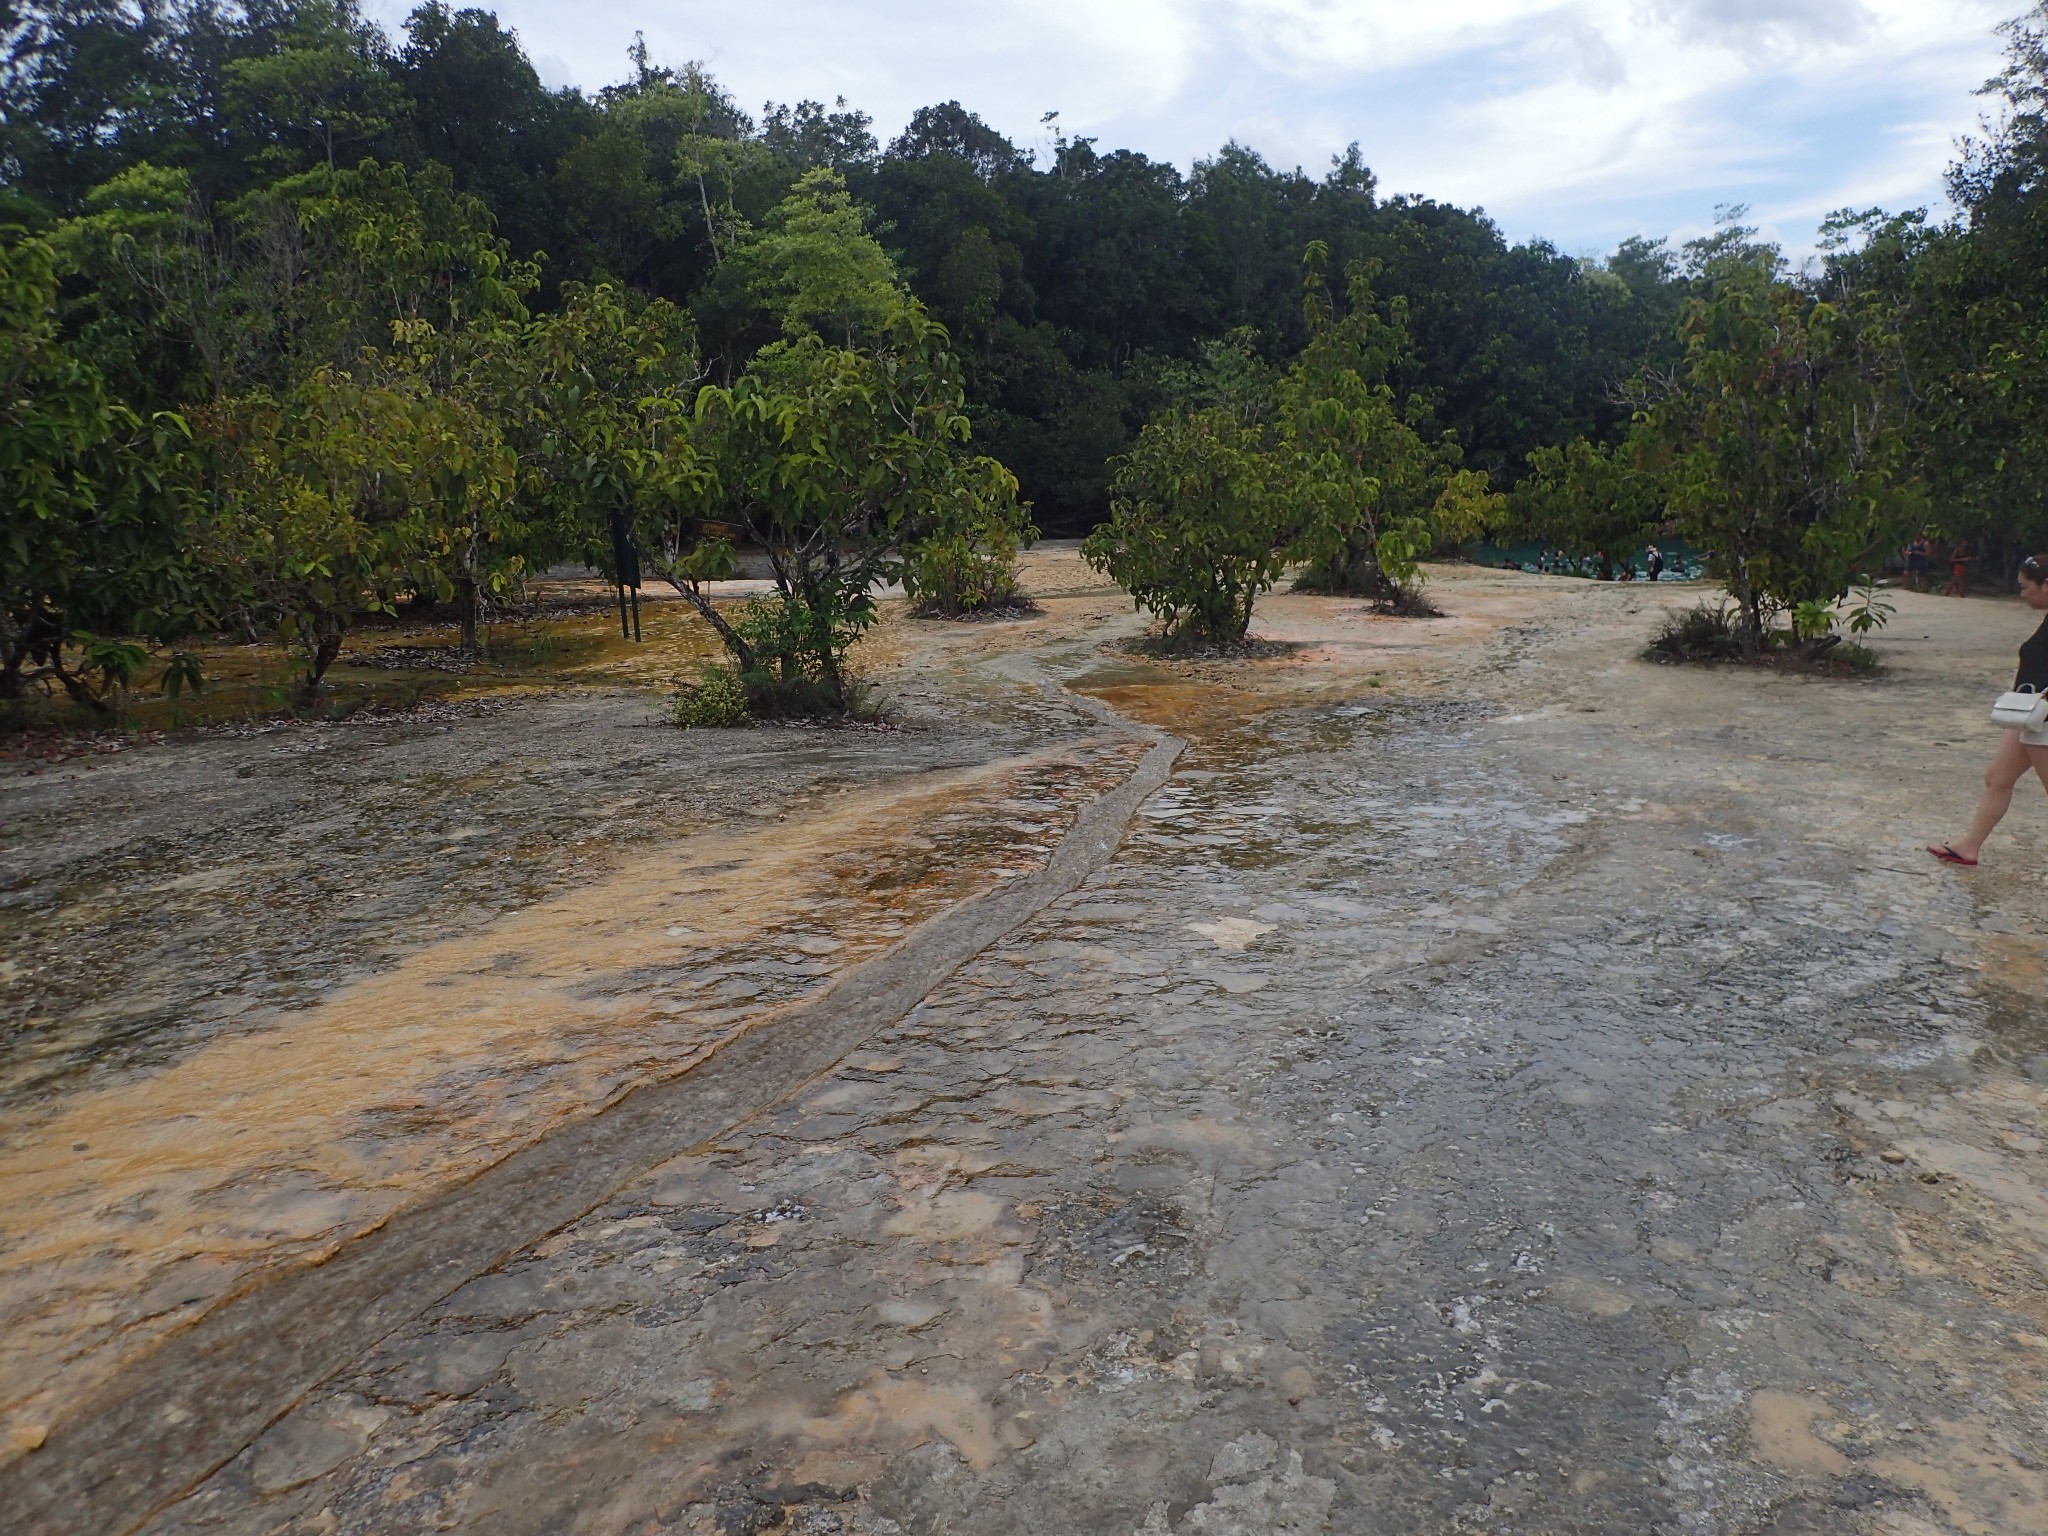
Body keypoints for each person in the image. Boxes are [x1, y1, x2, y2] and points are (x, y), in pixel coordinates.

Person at [1929, 553, 2048, 866]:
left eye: (2025, 587)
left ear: (2046, 585)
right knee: (1997, 777)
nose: (2021, 594)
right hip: (2029, 714)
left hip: (2043, 715)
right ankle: (1969, 846)